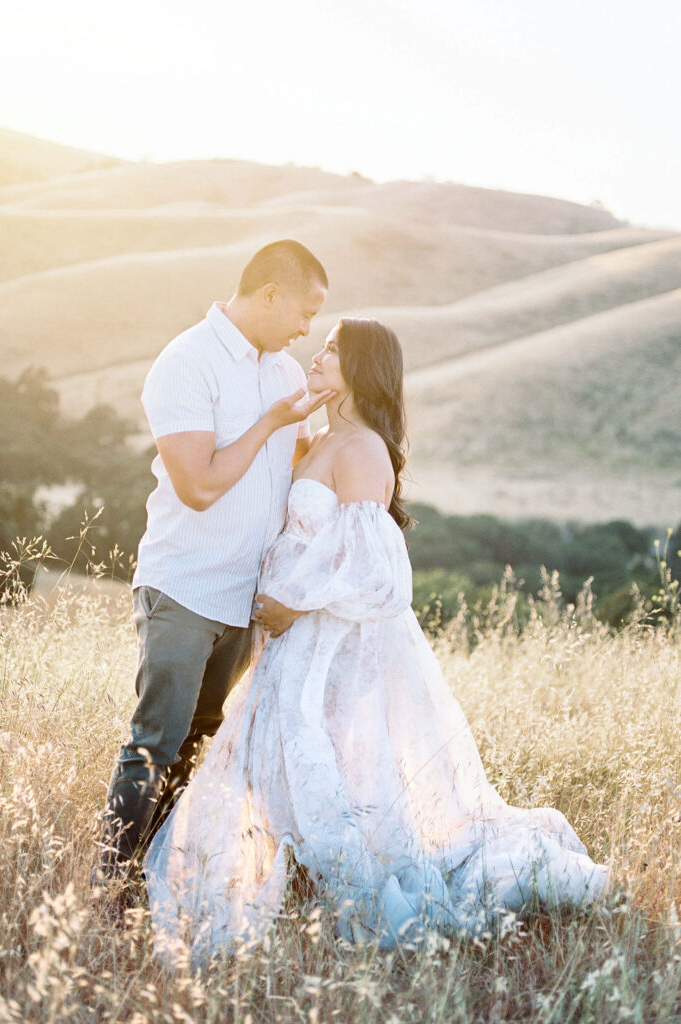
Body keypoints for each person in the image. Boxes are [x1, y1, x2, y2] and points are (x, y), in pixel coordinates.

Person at [143, 318, 609, 967]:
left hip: (326, 639)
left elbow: (377, 568)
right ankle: (294, 877)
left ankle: (336, 882)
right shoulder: (326, 438)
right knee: (285, 760)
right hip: (292, 642)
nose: (317, 354)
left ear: (360, 368)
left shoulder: (362, 448)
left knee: (322, 759)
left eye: (333, 349)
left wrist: (296, 602)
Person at [93, 240, 333, 895]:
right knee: (155, 742)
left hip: (247, 597)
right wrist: (269, 423)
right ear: (270, 294)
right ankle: (108, 887)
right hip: (185, 586)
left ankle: (154, 880)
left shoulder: (285, 372)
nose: (306, 328)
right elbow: (198, 486)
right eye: (306, 311)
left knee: (201, 739)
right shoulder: (186, 362)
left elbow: (296, 467)